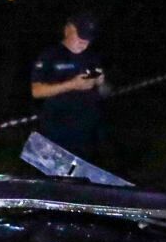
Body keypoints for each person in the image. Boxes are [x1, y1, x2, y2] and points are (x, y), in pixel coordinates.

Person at [29, 11, 111, 161]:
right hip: (56, 133)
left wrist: (101, 83)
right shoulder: (50, 56)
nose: (84, 42)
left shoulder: (92, 57)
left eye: (88, 38)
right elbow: (36, 91)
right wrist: (72, 85)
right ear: (67, 30)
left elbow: (106, 92)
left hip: (88, 135)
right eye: (80, 36)